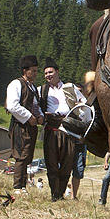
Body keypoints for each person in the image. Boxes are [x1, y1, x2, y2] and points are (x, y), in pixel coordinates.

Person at [39, 58, 86, 201]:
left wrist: (79, 106)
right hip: (51, 127)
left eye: (50, 72)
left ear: (57, 71)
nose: (48, 75)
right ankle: (55, 194)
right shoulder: (41, 90)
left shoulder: (69, 87)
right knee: (51, 161)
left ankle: (60, 193)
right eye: (46, 73)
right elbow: (35, 106)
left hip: (68, 127)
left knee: (67, 161)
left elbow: (84, 103)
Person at [6, 55, 43, 193]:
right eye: (32, 71)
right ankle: (17, 187)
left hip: (30, 126)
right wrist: (29, 117)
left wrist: (40, 116)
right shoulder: (16, 84)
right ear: (24, 71)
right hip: (20, 126)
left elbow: (36, 105)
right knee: (20, 156)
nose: (35, 73)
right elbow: (12, 106)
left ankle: (23, 186)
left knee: (27, 156)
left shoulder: (33, 87)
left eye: (36, 70)